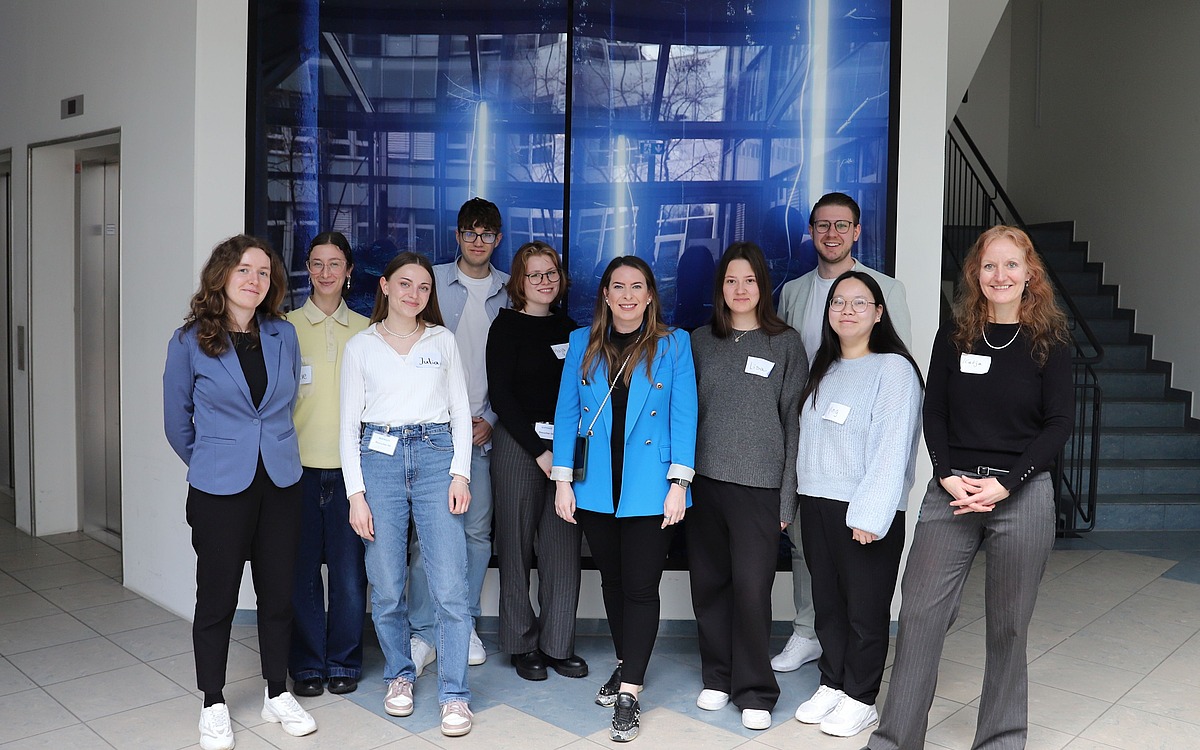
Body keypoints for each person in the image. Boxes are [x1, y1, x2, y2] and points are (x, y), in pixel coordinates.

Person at [863, 226, 1073, 750]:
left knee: (1008, 627)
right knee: (919, 617)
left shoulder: (1051, 343)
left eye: (1011, 265)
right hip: (952, 492)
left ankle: (1001, 740)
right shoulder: (955, 335)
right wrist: (946, 474)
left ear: (1030, 275)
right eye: (989, 266)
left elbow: (1058, 426)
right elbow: (934, 410)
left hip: (1020, 494)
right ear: (975, 275)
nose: (999, 275)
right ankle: (895, 740)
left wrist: (1005, 485)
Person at [163, 235, 317, 750]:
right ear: (222, 276)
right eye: (245, 271)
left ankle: (278, 691)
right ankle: (213, 701)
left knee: (278, 594)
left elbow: (287, 397)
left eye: (265, 273)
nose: (256, 281)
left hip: (280, 483)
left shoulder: (282, 334)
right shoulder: (189, 341)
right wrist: (213, 460)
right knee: (217, 599)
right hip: (219, 489)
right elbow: (176, 422)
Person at [551, 256, 698, 743]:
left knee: (639, 586)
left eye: (638, 286)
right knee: (612, 583)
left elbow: (684, 415)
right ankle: (624, 662)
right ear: (607, 296)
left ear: (651, 294)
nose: (629, 295)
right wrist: (562, 480)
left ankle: (631, 691)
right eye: (619, 287)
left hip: (651, 487)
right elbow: (568, 414)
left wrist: (680, 484)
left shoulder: (674, 344)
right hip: (596, 486)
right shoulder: (581, 343)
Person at [774, 191, 912, 674]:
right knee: (807, 556)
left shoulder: (886, 291)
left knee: (858, 576)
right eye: (822, 225)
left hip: (858, 455)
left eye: (842, 225)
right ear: (811, 232)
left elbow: (895, 395)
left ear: (857, 232)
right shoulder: (792, 291)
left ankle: (854, 678)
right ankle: (807, 632)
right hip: (812, 447)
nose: (831, 233)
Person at [340, 252, 477, 737]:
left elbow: (461, 410)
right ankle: (399, 675)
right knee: (387, 581)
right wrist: (356, 493)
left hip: (438, 454)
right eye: (404, 284)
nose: (414, 294)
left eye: (422, 287)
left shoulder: (442, 340)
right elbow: (347, 425)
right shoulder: (360, 346)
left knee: (450, 584)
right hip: (378, 459)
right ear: (383, 286)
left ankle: (455, 694)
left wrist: (460, 474)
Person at [790, 271, 923, 738]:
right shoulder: (822, 367)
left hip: (864, 510)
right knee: (828, 604)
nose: (846, 310)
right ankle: (833, 682)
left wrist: (870, 515)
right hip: (817, 503)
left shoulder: (894, 370)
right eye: (837, 302)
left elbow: (892, 448)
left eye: (858, 302)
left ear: (879, 313)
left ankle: (861, 697)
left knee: (865, 611)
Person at [688, 242, 807, 731]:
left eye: (750, 280)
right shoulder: (698, 341)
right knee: (710, 587)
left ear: (764, 286)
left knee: (753, 591)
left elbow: (796, 425)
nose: (740, 289)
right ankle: (717, 676)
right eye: (731, 281)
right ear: (720, 288)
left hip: (760, 489)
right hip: (704, 486)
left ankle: (755, 689)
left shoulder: (786, 343)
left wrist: (787, 497)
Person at [410, 197, 510, 674]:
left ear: (498, 239)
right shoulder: (429, 283)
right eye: (469, 233)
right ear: (457, 236)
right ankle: (422, 632)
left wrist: (491, 416)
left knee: (475, 533)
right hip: (432, 431)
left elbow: (517, 372)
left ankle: (463, 624)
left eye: (487, 234)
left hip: (483, 430)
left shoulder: (512, 291)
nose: (478, 241)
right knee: (425, 537)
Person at [486, 241, 588, 682]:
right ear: (518, 282)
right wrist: (539, 450)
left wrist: (560, 454)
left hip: (566, 448)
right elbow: (502, 397)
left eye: (551, 274)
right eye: (535, 275)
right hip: (518, 447)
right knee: (514, 546)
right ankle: (522, 642)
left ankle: (558, 643)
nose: (545, 282)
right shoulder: (505, 326)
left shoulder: (574, 330)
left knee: (563, 547)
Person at [286, 232, 370, 698]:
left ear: (349, 270)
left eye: (334, 264)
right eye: (316, 263)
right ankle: (307, 664)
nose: (325, 273)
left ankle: (343, 661)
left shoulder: (367, 330)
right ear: (307, 268)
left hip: (350, 475)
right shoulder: (284, 328)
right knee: (301, 575)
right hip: (296, 471)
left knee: (349, 576)